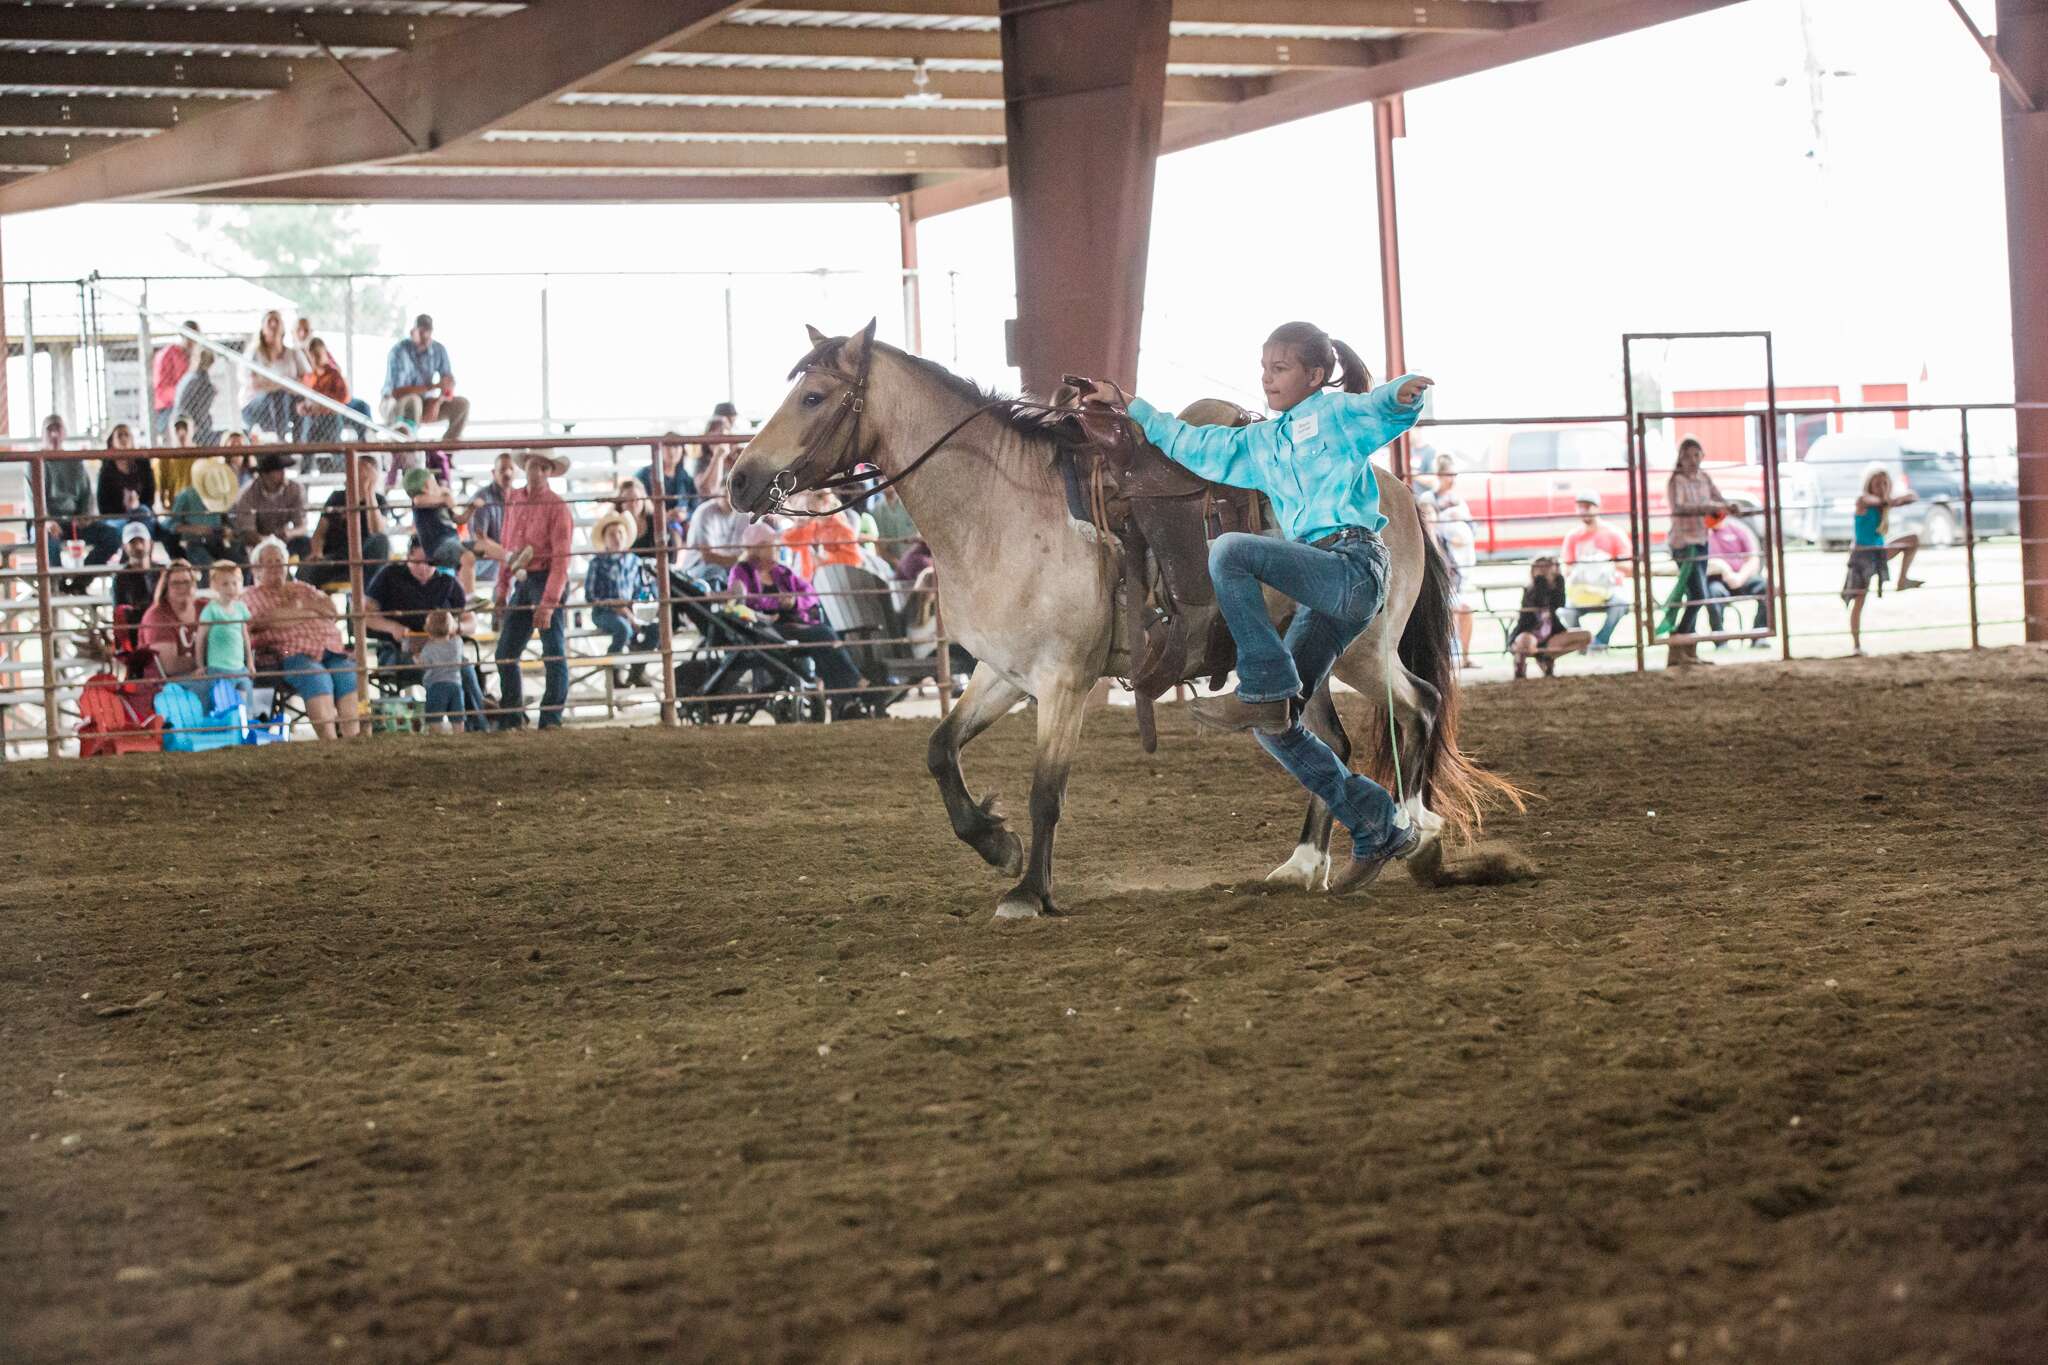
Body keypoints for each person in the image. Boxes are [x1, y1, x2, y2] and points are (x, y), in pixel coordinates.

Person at [1075, 319, 1430, 892]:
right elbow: (1193, 443)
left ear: (1315, 375)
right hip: (1322, 583)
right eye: (1264, 368)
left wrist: (1404, 391)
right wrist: (1133, 406)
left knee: (1231, 552)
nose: (1267, 379)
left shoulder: (1336, 417)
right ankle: (1378, 825)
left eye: (1280, 368)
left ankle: (1262, 683)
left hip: (1354, 565)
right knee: (1278, 727)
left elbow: (1380, 410)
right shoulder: (1261, 445)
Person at [727, 522, 876, 720]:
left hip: (793, 625)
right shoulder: (741, 571)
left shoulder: (782, 571)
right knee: (823, 634)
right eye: (772, 545)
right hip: (765, 629)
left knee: (824, 644)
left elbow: (810, 593)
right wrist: (777, 602)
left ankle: (845, 702)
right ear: (757, 548)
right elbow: (743, 601)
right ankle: (853, 685)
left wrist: (795, 601)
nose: (777, 548)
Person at [244, 537, 359, 739]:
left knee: (348, 676)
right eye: (268, 562)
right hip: (291, 654)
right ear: (256, 568)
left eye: (279, 561)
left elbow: (331, 610)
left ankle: (352, 742)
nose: (275, 567)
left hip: (330, 649)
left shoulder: (302, 588)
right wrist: (302, 608)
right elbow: (262, 621)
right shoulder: (251, 595)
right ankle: (330, 743)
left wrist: (298, 611)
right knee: (317, 677)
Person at [364, 539, 486, 727]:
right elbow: (367, 615)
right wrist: (392, 627)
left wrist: (457, 627)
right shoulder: (389, 575)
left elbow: (470, 621)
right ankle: (437, 726)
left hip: (443, 651)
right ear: (408, 557)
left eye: (430, 563)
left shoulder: (447, 581)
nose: (424, 568)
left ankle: (477, 728)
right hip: (399, 650)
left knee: (465, 669)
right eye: (417, 562)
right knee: (445, 670)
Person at [492, 450, 574, 729]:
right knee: (507, 653)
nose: (536, 471)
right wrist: (502, 587)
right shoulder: (514, 499)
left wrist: (549, 601)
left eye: (542, 467)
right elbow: (507, 546)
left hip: (545, 578)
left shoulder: (557, 506)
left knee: (551, 650)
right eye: (532, 465)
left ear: (549, 471)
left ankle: (547, 718)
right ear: (525, 467)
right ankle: (516, 716)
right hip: (526, 578)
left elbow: (561, 559)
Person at [1656, 435, 1732, 668]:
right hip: (1683, 542)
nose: (1692, 460)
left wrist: (1728, 506)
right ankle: (1680, 642)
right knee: (1698, 594)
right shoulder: (1676, 481)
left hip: (1699, 539)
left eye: (1696, 455)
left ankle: (1685, 648)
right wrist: (1709, 507)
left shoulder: (1704, 479)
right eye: (1688, 456)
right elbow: (1679, 507)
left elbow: (1720, 499)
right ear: (1681, 458)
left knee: (1695, 595)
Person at [1843, 466, 1922, 656]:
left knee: (1912, 539)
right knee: (1859, 601)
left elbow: (1912, 496)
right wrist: (1890, 500)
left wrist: (1894, 500)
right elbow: (1871, 500)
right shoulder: (1864, 501)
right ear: (1869, 485)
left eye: (1885, 483)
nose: (1881, 487)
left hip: (1879, 551)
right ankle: (1856, 645)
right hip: (1863, 554)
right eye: (1877, 483)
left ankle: (1902, 579)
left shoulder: (1885, 503)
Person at [37, 413, 118, 584]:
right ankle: (56, 585)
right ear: (42, 434)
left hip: (72, 522)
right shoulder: (36, 462)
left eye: (57, 429)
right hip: (45, 522)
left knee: (112, 535)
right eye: (49, 429)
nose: (54, 434)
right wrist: (47, 521)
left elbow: (86, 496)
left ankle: (81, 580)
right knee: (46, 539)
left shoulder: (75, 462)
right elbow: (34, 501)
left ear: (64, 433)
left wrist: (85, 516)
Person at [585, 510, 660, 688]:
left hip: (631, 611)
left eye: (620, 533)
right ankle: (613, 674)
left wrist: (635, 609)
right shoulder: (597, 563)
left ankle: (637, 671)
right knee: (623, 629)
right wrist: (616, 606)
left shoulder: (634, 561)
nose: (617, 538)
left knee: (655, 629)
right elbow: (591, 596)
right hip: (604, 612)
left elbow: (642, 589)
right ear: (605, 539)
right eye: (612, 534)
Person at [303, 452, 392, 588]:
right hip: (337, 557)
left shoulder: (379, 500)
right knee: (307, 569)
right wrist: (317, 552)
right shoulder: (337, 497)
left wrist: (369, 492)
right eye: (356, 470)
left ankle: (368, 600)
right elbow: (320, 532)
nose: (359, 475)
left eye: (365, 471)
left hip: (364, 557)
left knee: (382, 541)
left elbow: (377, 530)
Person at [1558, 490, 1632, 652]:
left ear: (1597, 508)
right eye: (1581, 507)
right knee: (1566, 610)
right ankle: (1581, 644)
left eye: (1588, 507)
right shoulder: (1573, 537)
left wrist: (1604, 563)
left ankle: (1599, 642)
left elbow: (1628, 566)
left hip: (1608, 589)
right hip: (1582, 590)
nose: (1584, 511)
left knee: (1620, 604)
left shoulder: (1613, 534)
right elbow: (1567, 568)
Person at [381, 313, 470, 439]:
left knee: (462, 405)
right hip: (394, 403)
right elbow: (397, 392)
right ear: (413, 332)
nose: (426, 336)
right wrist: (432, 387)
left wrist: (437, 401)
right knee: (413, 401)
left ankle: (444, 454)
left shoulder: (438, 350)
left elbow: (448, 383)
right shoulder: (399, 351)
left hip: (425, 403)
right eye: (422, 332)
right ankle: (409, 451)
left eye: (429, 331)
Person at [1508, 556, 1591, 679]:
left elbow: (1560, 603)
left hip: (1549, 635)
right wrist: (1541, 580)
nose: (1546, 571)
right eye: (1541, 568)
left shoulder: (1555, 588)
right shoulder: (1531, 589)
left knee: (1586, 636)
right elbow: (1538, 601)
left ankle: (1546, 657)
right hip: (1530, 633)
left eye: (1548, 567)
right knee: (1526, 643)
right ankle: (1520, 662)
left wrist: (1558, 579)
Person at [403, 465, 477, 594]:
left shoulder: (440, 503)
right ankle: (469, 596)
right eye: (434, 483)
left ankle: (509, 558)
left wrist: (471, 508)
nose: (438, 486)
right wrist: (444, 498)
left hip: (449, 542)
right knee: (465, 559)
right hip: (437, 546)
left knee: (471, 556)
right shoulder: (421, 500)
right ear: (425, 487)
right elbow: (419, 500)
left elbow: (458, 518)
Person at [163, 456, 244, 568]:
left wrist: (227, 531)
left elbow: (225, 521)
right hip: (193, 542)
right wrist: (196, 529)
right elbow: (170, 524)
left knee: (240, 562)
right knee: (207, 566)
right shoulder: (186, 495)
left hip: (217, 540)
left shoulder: (222, 495)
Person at [138, 559, 206, 690]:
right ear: (166, 588)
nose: (182, 587)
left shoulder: (205, 607)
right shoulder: (157, 616)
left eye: (186, 582)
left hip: (203, 675)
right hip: (166, 685)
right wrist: (209, 661)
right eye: (175, 583)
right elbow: (170, 666)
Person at [1704, 513, 1772, 643]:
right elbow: (1704, 563)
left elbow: (1753, 559)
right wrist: (1725, 570)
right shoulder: (1703, 535)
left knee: (1766, 587)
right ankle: (1720, 639)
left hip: (1742, 577)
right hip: (1716, 580)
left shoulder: (1738, 530)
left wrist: (1740, 577)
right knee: (1713, 593)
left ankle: (1760, 635)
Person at [232, 452, 312, 560]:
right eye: (277, 470)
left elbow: (302, 526)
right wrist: (269, 542)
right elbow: (248, 532)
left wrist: (289, 533)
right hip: (256, 543)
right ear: (264, 475)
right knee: (241, 550)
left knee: (305, 544)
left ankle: (304, 576)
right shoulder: (247, 494)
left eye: (283, 469)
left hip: (285, 540)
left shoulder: (295, 489)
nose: (283, 473)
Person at [199, 559, 254, 706]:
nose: (231, 588)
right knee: (222, 704)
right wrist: (200, 665)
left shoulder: (241, 608)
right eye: (225, 584)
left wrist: (249, 662)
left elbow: (245, 636)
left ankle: (244, 725)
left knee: (244, 704)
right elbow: (200, 639)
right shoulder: (211, 610)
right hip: (218, 669)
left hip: (239, 668)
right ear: (215, 586)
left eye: (234, 583)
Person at [681, 472, 752, 584]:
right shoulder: (704, 512)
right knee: (716, 573)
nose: (730, 500)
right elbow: (708, 557)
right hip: (698, 568)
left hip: (731, 566)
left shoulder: (745, 515)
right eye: (725, 494)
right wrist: (741, 560)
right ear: (717, 493)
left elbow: (749, 551)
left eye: (734, 495)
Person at [239, 309, 298, 439]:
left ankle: (301, 446)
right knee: (276, 395)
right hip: (254, 405)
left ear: (283, 327)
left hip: (285, 402)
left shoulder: (290, 353)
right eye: (269, 321)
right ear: (262, 328)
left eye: (276, 321)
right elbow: (255, 385)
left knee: (298, 401)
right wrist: (284, 383)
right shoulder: (254, 353)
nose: (273, 325)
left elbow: (302, 380)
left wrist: (273, 383)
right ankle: (280, 441)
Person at [97, 424, 159, 546]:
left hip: (141, 512)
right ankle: (131, 558)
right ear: (112, 442)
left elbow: (150, 497)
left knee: (141, 516)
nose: (124, 438)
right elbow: (103, 505)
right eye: (119, 435)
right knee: (124, 527)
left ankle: (139, 558)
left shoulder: (143, 463)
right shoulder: (107, 468)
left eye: (127, 435)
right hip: (116, 517)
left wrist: (135, 506)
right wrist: (125, 511)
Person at [465, 452, 516, 584]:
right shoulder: (482, 498)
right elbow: (480, 539)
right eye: (503, 469)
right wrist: (508, 555)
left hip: (508, 561)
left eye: (511, 469)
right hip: (487, 565)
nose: (508, 473)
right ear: (494, 473)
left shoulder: (518, 498)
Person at [296, 336, 351, 452]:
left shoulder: (334, 374)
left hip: (330, 417)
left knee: (332, 445)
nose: (315, 358)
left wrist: (323, 406)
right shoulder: (308, 377)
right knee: (308, 435)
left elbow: (344, 398)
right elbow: (300, 401)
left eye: (318, 354)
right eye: (312, 355)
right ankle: (306, 463)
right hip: (312, 418)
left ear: (324, 353)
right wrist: (302, 407)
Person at [418, 609, 469, 732]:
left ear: (428, 630)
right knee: (458, 718)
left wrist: (416, 658)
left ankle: (437, 739)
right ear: (451, 628)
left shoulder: (428, 649)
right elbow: (462, 659)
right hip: (455, 685)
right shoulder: (457, 643)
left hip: (436, 686)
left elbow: (424, 665)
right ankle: (460, 738)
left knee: (435, 719)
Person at [111, 522, 161, 647]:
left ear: (150, 543)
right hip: (135, 635)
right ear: (125, 546)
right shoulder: (120, 578)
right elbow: (119, 614)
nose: (138, 546)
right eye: (133, 542)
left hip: (161, 630)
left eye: (141, 541)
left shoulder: (162, 572)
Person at [151, 322, 200, 441]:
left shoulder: (193, 356)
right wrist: (181, 395)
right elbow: (161, 389)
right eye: (190, 337)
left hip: (188, 406)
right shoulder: (168, 353)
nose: (192, 342)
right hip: (168, 407)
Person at [639, 434, 698, 522]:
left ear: (682, 450)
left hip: (681, 526)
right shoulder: (644, 474)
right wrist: (663, 516)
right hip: (651, 524)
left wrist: (685, 515)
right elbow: (638, 501)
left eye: (676, 446)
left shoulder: (686, 478)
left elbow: (694, 506)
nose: (672, 451)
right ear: (659, 449)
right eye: (668, 446)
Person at [173, 345, 220, 447]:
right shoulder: (196, 379)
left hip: (197, 426)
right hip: (196, 429)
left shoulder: (194, 377)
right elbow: (188, 409)